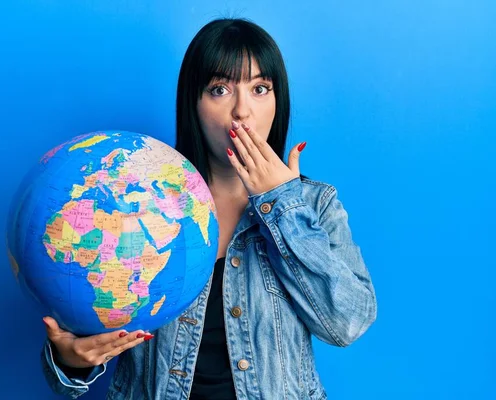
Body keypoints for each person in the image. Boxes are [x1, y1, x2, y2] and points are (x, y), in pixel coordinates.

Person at [40, 18, 377, 400]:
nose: (242, 112)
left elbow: (346, 323)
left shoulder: (316, 206)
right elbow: (87, 317)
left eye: (260, 88)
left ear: (278, 100)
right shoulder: (139, 199)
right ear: (193, 105)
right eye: (219, 90)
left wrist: (281, 204)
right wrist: (69, 360)